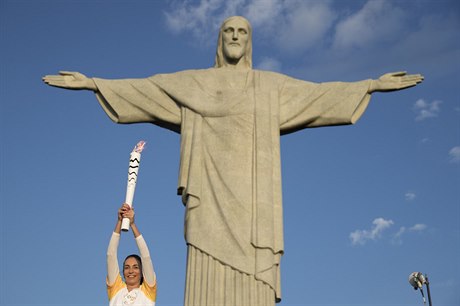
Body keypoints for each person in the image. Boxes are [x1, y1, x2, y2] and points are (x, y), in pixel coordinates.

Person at [43, 16, 423, 306]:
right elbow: (147, 90)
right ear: (219, 40)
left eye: (242, 32)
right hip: (207, 201)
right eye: (229, 32)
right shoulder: (195, 84)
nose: (236, 37)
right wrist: (95, 83)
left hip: (255, 209)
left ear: (250, 40)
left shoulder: (269, 87)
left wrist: (369, 85)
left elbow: (318, 97)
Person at [107, 203, 157, 305]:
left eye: (135, 267)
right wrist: (120, 221)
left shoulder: (148, 291)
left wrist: (132, 224)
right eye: (126, 267)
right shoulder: (116, 290)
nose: (131, 271)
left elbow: (146, 257)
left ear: (142, 271)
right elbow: (110, 255)